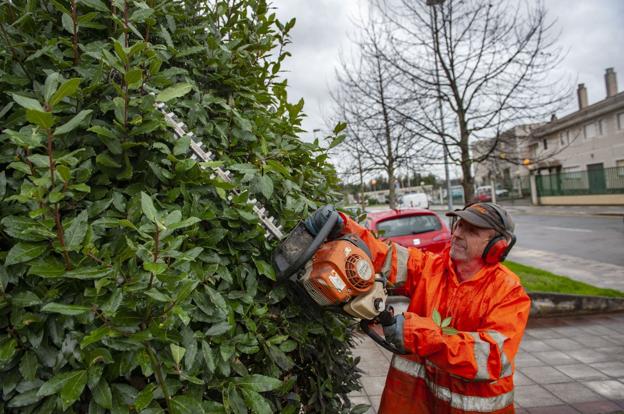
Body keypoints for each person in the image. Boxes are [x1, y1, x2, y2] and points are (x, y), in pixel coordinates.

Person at [304, 203, 531, 414]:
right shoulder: (432, 268)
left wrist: (416, 334)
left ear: (496, 247)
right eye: (459, 225)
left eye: (472, 231)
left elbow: (490, 358)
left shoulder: (508, 292)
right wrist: (343, 227)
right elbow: (385, 255)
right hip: (416, 402)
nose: (458, 233)